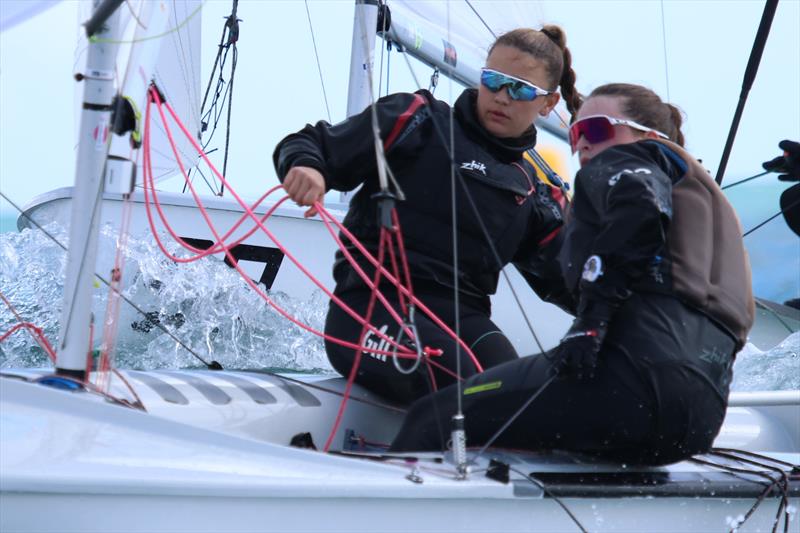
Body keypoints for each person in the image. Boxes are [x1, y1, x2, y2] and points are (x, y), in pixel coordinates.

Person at [390, 83, 755, 466]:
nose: (582, 145)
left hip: (628, 386)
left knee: (433, 417)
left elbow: (641, 210)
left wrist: (590, 324)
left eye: (596, 129)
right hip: (699, 416)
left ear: (648, 136)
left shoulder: (629, 163)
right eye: (575, 134)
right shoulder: (706, 205)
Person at [272, 27, 580, 404]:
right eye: (492, 81)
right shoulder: (417, 119)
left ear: (547, 104)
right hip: (370, 309)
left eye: (518, 89)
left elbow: (574, 282)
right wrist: (308, 168)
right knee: (469, 391)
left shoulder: (533, 190)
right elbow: (309, 143)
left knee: (515, 399)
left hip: (464, 321)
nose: (501, 97)